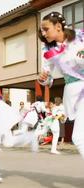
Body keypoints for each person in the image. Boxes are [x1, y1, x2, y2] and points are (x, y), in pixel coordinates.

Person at [38, 11, 84, 158]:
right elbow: (49, 81)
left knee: (78, 137)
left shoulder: (80, 36)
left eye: (46, 29)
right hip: (72, 91)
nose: (43, 33)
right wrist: (44, 79)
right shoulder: (48, 50)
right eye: (42, 30)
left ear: (58, 26)